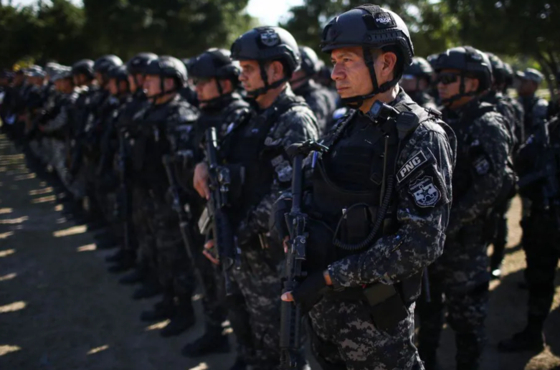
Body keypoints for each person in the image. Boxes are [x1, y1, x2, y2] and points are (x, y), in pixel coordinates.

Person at [274, 5, 455, 370]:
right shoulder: (348, 124)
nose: (335, 72)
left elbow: (422, 243)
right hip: (325, 314)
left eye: (347, 60)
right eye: (334, 61)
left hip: (374, 326)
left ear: (386, 64)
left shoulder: (419, 135)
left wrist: (330, 277)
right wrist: (288, 210)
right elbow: (319, 186)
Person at [193, 26, 318, 369]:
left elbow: (287, 195)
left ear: (275, 70)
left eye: (248, 69)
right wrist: (204, 165)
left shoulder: (295, 120)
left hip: (272, 263)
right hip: (243, 255)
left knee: (282, 351)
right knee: (252, 340)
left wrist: (231, 234)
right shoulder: (249, 117)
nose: (241, 76)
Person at [417, 46, 513, 370]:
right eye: (438, 79)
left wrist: (450, 222)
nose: (439, 85)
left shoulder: (487, 124)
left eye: (447, 79)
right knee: (426, 319)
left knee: (467, 326)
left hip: (464, 245)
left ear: (471, 84)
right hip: (434, 244)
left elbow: (491, 187)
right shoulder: (440, 119)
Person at [180, 48, 252, 363]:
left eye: (203, 81)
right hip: (199, 209)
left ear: (225, 82)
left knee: (234, 294)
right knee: (208, 280)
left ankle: (244, 352)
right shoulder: (204, 113)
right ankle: (214, 331)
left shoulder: (238, 114)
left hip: (228, 216)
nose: (196, 88)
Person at [133, 56, 200, 337]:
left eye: (150, 78)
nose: (143, 82)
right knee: (161, 252)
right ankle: (168, 299)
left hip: (171, 201)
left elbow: (183, 167)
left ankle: (184, 309)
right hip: (150, 196)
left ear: (169, 82)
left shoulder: (179, 115)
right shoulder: (149, 111)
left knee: (177, 256)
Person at [498, 113, 560, 353]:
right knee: (539, 281)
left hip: (546, 220)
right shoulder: (548, 130)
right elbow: (522, 161)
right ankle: (534, 334)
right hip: (544, 222)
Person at [483, 53, 523, 279]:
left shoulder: (504, 106)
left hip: (502, 173)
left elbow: (514, 142)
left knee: (498, 219)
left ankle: (496, 261)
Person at [290, 46, 337, 135]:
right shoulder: (295, 94)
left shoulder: (316, 97)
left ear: (305, 70)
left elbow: (313, 133)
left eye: (294, 69)